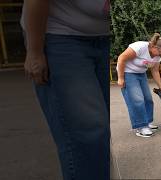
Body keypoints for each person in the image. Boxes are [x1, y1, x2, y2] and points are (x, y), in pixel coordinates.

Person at [22, 0, 111, 179]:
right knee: (87, 136)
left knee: (99, 136)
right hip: (61, 35)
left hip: (102, 35)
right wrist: (35, 51)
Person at [116, 33, 161, 138]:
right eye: (159, 53)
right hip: (127, 72)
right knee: (137, 100)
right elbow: (121, 58)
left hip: (141, 73)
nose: (159, 56)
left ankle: (148, 122)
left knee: (148, 98)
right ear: (154, 46)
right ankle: (141, 127)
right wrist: (121, 78)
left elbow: (155, 71)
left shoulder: (157, 57)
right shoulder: (140, 47)